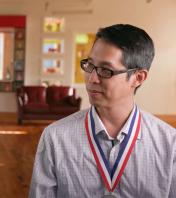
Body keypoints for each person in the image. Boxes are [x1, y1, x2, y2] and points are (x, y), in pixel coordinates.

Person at [29, 24, 176, 197]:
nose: (91, 78)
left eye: (106, 70)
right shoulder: (55, 137)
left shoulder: (170, 145)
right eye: (90, 65)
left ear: (138, 78)